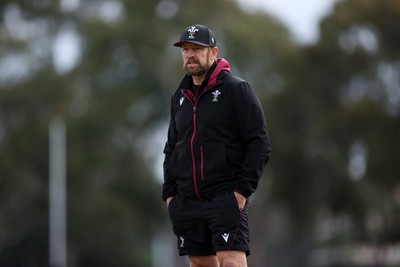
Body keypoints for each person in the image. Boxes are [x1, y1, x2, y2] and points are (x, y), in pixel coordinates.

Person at [162, 24, 271, 267]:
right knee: (200, 262)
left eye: (197, 49)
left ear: (213, 52)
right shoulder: (179, 97)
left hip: (225, 196)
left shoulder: (235, 89)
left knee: (231, 261)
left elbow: (259, 144)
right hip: (187, 200)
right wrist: (170, 195)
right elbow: (171, 147)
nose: (190, 54)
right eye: (185, 49)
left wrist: (241, 192)